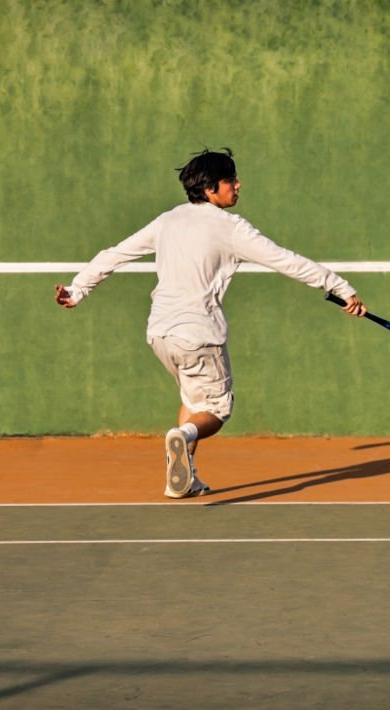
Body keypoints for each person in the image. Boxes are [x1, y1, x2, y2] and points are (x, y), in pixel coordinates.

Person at [55, 148, 366, 498]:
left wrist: (77, 289)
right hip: (199, 334)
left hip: (159, 333)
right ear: (210, 189)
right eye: (230, 180)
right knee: (216, 410)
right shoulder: (232, 229)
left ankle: (184, 478)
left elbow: (115, 253)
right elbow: (286, 261)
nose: (238, 185)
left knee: (192, 397)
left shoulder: (167, 220)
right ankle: (184, 437)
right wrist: (340, 287)